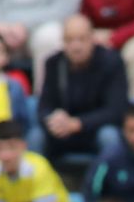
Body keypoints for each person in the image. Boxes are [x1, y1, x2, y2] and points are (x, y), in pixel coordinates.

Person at [38, 14, 129, 163]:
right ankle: (37, 184)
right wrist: (54, 119)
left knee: (109, 136)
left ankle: (109, 183)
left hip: (95, 130)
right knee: (37, 136)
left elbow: (117, 110)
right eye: (70, 40)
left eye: (82, 39)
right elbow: (43, 107)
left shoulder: (112, 62)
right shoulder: (53, 63)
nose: (76, 46)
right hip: (63, 132)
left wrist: (78, 123)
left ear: (93, 38)